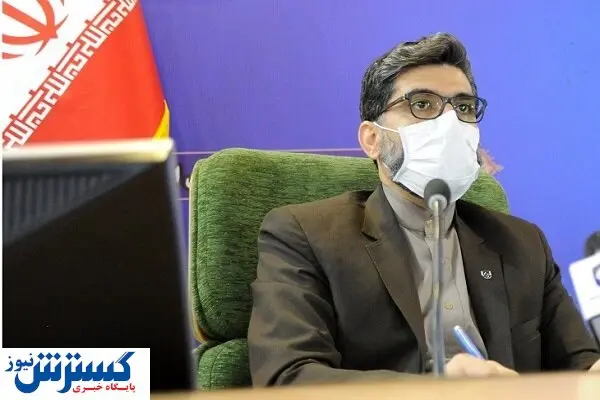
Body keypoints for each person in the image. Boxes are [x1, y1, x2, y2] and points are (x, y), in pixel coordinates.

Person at [247, 32, 600, 386]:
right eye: (422, 104)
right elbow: (288, 376)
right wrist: (434, 388)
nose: (450, 123)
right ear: (372, 139)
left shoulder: (523, 243)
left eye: (464, 108)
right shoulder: (306, 236)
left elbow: (581, 363)